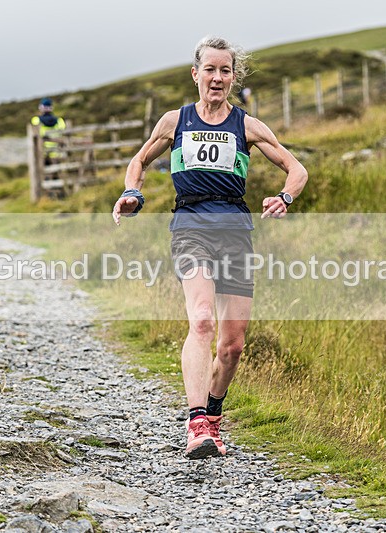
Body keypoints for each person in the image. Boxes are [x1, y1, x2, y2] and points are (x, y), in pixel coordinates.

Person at [113, 36, 308, 459]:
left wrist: (285, 197)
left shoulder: (248, 126)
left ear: (233, 77)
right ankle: (197, 423)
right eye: (210, 70)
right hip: (190, 225)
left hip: (235, 229)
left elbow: (297, 169)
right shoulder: (174, 121)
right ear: (195, 74)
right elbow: (140, 161)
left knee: (232, 345)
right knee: (201, 320)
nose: (217, 78)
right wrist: (132, 193)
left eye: (225, 71)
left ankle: (215, 415)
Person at [31, 97, 66, 166]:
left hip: (42, 151)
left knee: (44, 172)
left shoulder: (36, 120)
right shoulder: (60, 121)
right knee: (55, 172)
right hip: (57, 151)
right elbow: (63, 133)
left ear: (40, 107)